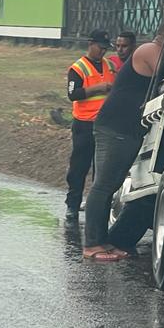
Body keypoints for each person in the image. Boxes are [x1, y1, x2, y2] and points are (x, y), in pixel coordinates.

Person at [81, 26, 164, 260]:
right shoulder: (149, 50)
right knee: (104, 185)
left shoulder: (152, 50)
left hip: (125, 128)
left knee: (111, 184)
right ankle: (92, 245)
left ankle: (103, 243)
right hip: (115, 127)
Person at [65, 30, 117, 225]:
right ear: (90, 44)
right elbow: (73, 94)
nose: (102, 52)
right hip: (84, 125)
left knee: (101, 169)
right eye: (100, 47)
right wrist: (97, 88)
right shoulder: (77, 68)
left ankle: (96, 207)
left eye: (105, 49)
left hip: (104, 125)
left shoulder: (110, 66)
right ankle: (72, 205)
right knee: (79, 166)